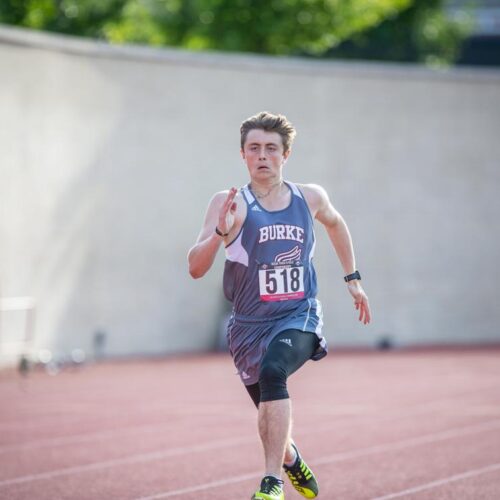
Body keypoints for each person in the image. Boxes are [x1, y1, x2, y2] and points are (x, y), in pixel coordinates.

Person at [188, 111, 371, 500]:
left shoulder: (310, 197)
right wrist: (220, 233)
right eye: (254, 148)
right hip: (248, 326)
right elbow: (195, 268)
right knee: (269, 415)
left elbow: (336, 224)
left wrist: (352, 279)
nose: (262, 156)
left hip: (298, 314)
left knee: (274, 372)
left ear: (285, 155)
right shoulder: (229, 203)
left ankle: (271, 483)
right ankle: (290, 459)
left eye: (271, 148)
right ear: (243, 154)